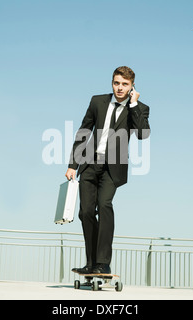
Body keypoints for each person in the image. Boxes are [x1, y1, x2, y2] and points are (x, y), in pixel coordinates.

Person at [65, 66, 151, 274]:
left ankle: (103, 262)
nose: (119, 88)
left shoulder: (139, 108)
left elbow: (142, 134)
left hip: (113, 169)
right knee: (85, 212)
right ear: (112, 82)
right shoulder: (97, 102)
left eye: (125, 84)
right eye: (116, 83)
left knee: (104, 205)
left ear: (132, 86)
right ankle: (91, 262)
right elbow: (84, 132)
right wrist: (72, 164)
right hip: (89, 164)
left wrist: (134, 104)